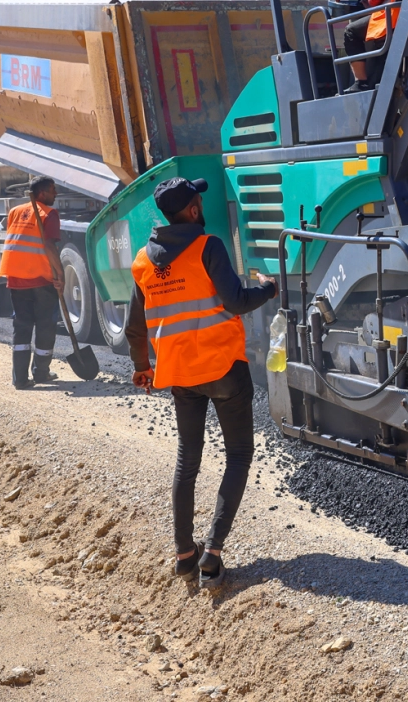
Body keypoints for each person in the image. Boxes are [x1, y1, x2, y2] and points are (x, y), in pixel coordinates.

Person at [127, 177, 275, 588]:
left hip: (179, 376)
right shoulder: (207, 246)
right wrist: (267, 288)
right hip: (223, 367)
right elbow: (236, 302)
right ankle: (212, 552)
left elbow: (133, 327)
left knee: (187, 460)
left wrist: (142, 367)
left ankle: (183, 553)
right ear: (192, 210)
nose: (201, 206)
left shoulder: (142, 261)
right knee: (240, 454)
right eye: (198, 200)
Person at [0, 175, 65, 389]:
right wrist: (60, 274)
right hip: (40, 278)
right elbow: (49, 246)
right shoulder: (49, 214)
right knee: (45, 326)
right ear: (42, 193)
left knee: (22, 327)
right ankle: (41, 373)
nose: (56, 194)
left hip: (16, 278)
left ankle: (19, 378)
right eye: (53, 190)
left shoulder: (14, 212)